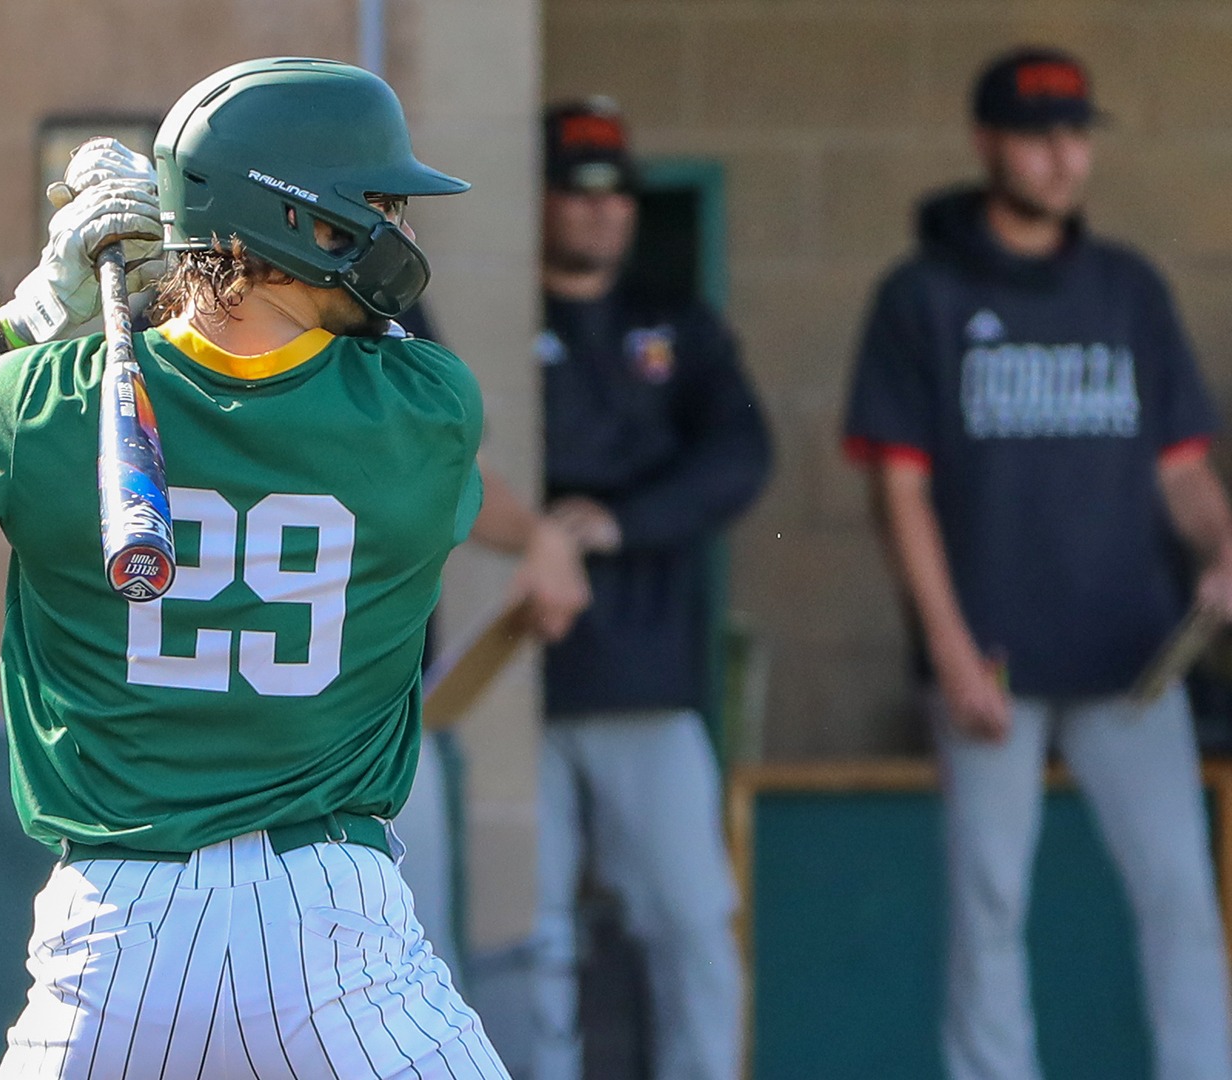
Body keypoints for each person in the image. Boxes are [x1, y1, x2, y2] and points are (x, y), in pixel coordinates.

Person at [0, 57, 577, 1078]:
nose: (395, 233)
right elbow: (333, 361)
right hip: (335, 936)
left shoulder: (46, 400)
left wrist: (26, 319)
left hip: (113, 938)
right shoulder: (428, 405)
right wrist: (177, 276)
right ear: (297, 221)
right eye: (376, 205)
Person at [843, 46, 1232, 1080]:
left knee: (1182, 897)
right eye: (1038, 136)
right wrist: (951, 651)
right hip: (993, 666)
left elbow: (1183, 470)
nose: (1062, 159)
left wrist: (1223, 542)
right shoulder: (920, 295)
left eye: (1075, 136)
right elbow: (900, 493)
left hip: (1133, 659)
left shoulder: (1128, 288)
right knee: (990, 905)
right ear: (988, 145)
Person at [522, 98, 770, 1080]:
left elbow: (743, 457)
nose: (598, 211)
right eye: (576, 191)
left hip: (647, 673)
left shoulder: (672, 323)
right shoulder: (504, 312)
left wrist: (620, 517)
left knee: (694, 926)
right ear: (538, 198)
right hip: (516, 679)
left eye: (616, 192)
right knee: (530, 936)